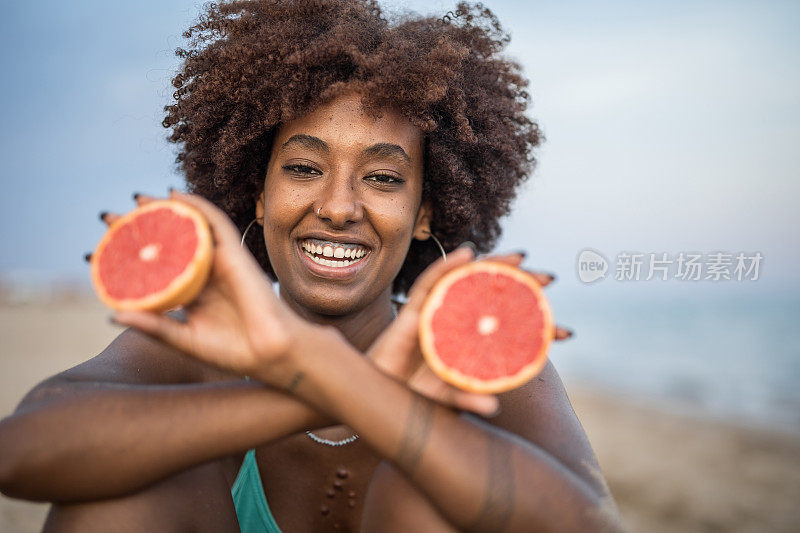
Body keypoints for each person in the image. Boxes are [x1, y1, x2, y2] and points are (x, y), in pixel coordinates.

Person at [0, 1, 624, 531]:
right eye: (303, 168)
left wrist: (330, 379)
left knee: (424, 497)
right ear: (258, 193)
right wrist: (324, 386)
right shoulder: (196, 346)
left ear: (426, 214)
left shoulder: (471, 356)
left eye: (382, 178)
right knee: (126, 495)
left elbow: (590, 521)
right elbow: (22, 450)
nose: (338, 207)